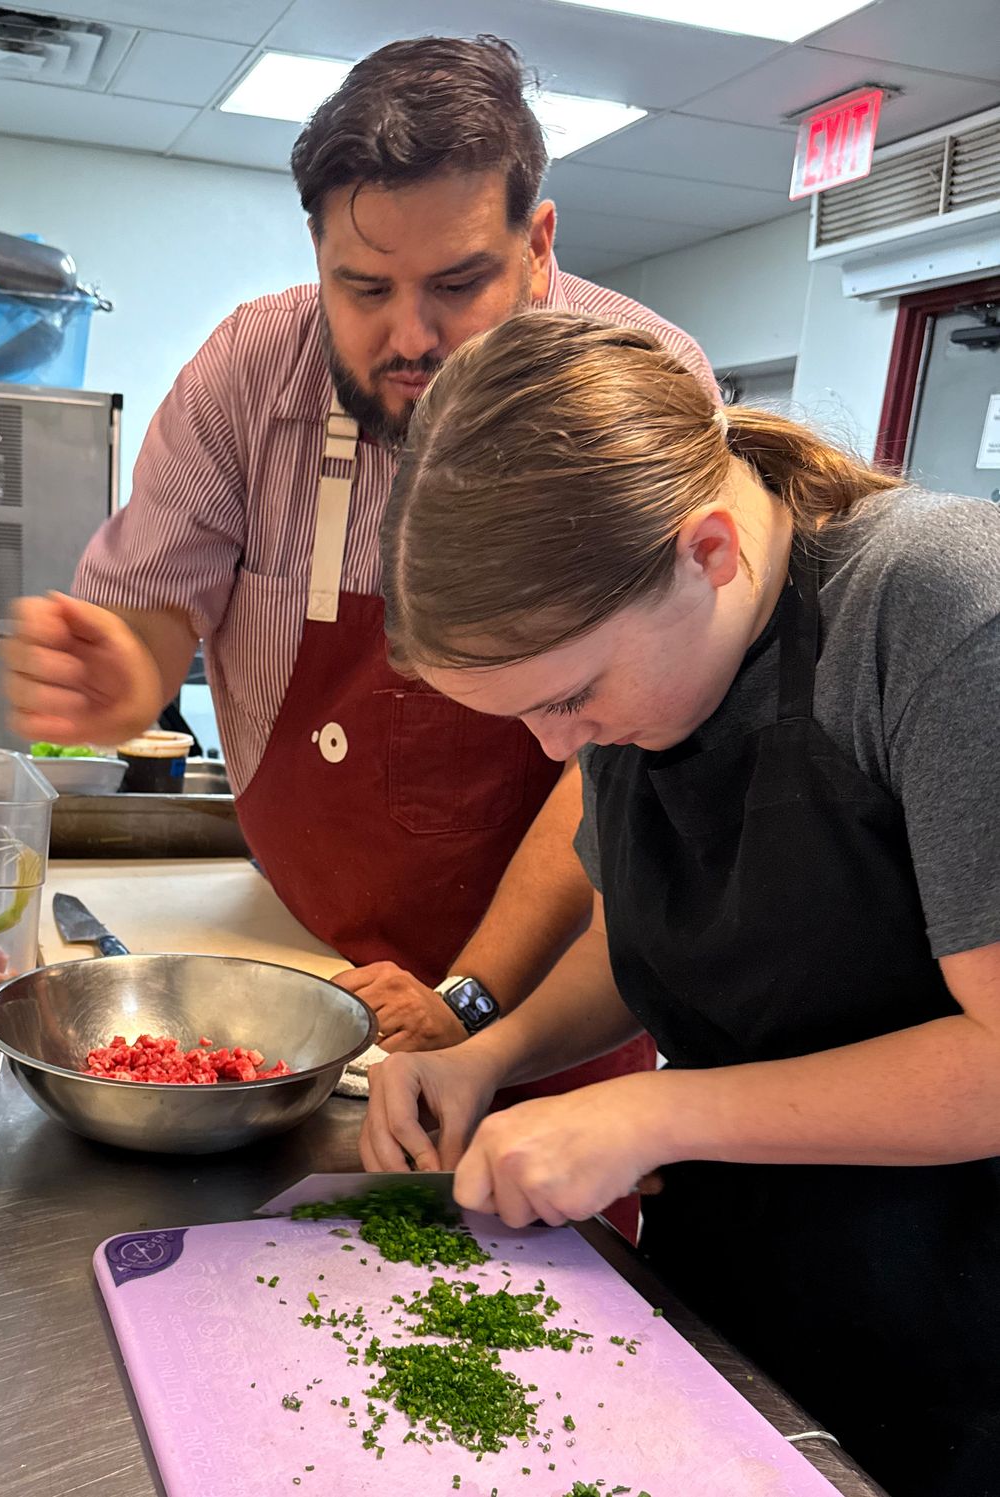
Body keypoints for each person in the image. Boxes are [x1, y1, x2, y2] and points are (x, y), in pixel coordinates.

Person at [2, 36, 716, 1233]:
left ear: (540, 247)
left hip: (557, 989)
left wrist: (474, 998)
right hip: (312, 965)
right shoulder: (247, 376)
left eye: (457, 284)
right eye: (365, 289)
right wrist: (115, 674)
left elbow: (608, 756)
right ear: (319, 256)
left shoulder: (634, 388)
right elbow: (156, 616)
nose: (410, 339)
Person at [362, 311, 1000, 1497]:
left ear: (707, 552)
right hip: (742, 1299)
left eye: (572, 696)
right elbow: (646, 939)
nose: (559, 744)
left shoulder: (944, 616)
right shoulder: (644, 671)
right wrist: (485, 1055)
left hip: (953, 1331)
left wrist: (655, 1117)